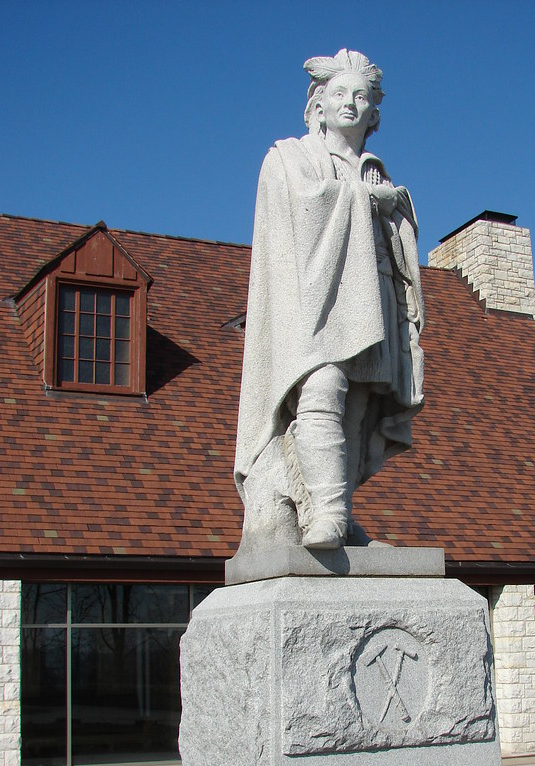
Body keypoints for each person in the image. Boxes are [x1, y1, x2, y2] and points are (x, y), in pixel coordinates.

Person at [234, 49, 425, 551]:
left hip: (371, 295)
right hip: (314, 298)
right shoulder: (289, 155)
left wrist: (393, 208)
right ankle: (327, 514)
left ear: (374, 114)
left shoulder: (375, 169)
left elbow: (398, 235)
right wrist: (365, 201)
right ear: (318, 105)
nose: (350, 103)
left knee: (358, 409)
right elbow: (301, 207)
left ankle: (338, 510)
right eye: (339, 93)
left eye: (360, 96)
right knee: (321, 389)